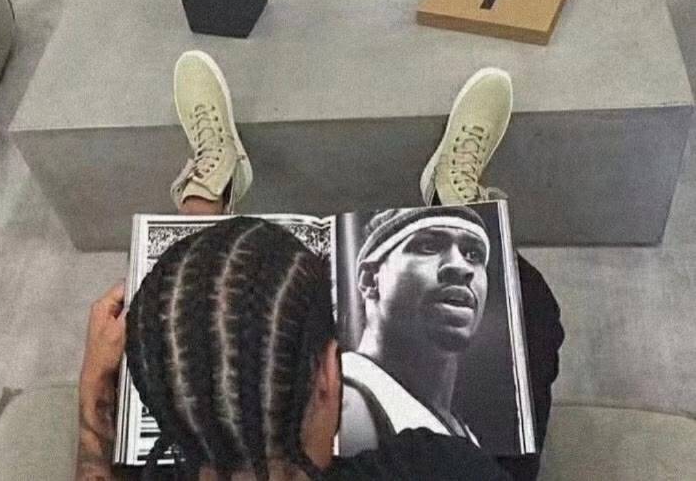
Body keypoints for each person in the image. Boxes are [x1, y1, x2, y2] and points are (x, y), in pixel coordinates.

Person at [75, 50, 563, 480]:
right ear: (332, 376)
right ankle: (455, 203)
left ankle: (206, 198)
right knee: (530, 307)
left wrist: (95, 393)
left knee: (203, 294)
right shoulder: (436, 465)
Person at [340, 205, 494, 453]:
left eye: (473, 254)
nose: (461, 267)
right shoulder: (347, 400)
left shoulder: (459, 428)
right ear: (369, 280)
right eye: (428, 246)